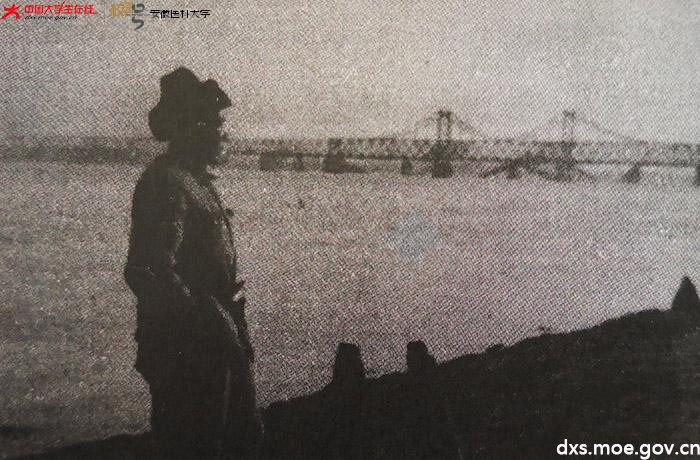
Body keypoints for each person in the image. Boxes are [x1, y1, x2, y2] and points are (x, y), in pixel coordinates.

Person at [124, 67, 263, 459]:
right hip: (187, 352)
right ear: (192, 127)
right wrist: (208, 319)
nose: (224, 133)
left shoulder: (194, 182)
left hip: (214, 343)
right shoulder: (167, 183)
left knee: (234, 439)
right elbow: (148, 270)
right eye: (215, 124)